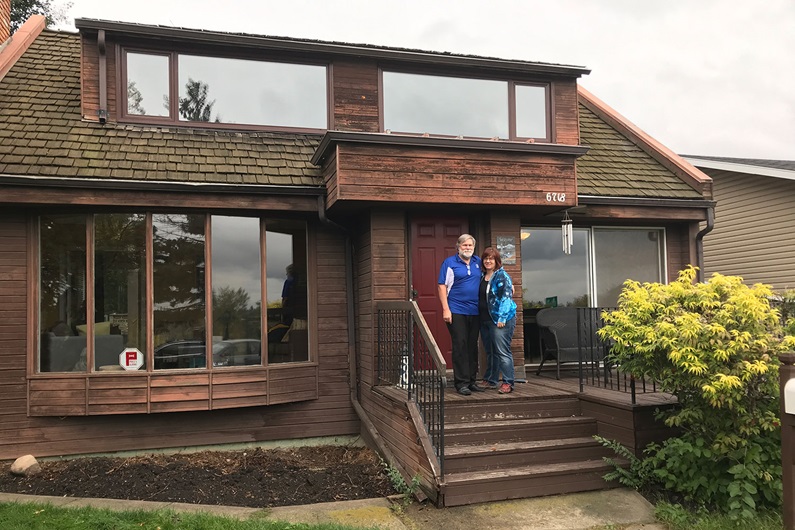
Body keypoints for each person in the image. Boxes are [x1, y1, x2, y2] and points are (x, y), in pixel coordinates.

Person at [438, 234, 484, 396]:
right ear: (458, 246)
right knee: (460, 345)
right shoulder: (450, 263)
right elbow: (442, 286)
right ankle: (461, 383)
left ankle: (472, 381)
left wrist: (509, 284)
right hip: (456, 310)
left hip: (475, 311)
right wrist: (445, 309)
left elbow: (494, 273)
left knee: (472, 346)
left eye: (470, 245)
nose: (467, 248)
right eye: (464, 245)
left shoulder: (478, 262)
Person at [478, 246, 517, 394]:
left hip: (500, 320)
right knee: (491, 351)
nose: (488, 261)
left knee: (502, 351)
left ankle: (508, 382)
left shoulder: (502, 276)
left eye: (491, 258)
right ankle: (491, 379)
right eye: (486, 258)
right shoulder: (482, 275)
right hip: (485, 319)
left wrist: (502, 317)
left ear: (497, 261)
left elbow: (506, 297)